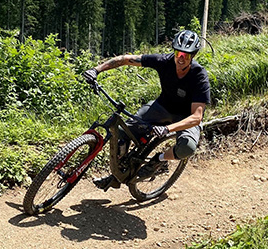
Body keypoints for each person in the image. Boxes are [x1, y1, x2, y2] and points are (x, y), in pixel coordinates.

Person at [83, 30, 211, 190]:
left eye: (186, 55)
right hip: (162, 107)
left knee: (187, 147)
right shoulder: (163, 61)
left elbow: (197, 117)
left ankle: (159, 160)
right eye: (178, 53)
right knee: (123, 131)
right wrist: (96, 70)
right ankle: (119, 173)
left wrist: (167, 129)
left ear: (193, 56)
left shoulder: (199, 76)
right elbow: (126, 59)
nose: (181, 58)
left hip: (185, 117)